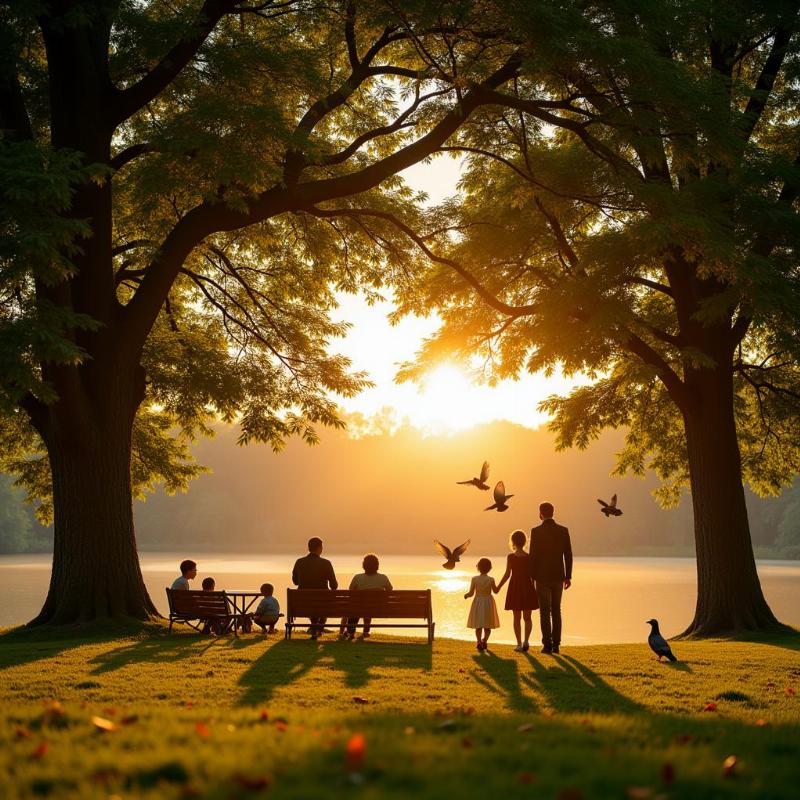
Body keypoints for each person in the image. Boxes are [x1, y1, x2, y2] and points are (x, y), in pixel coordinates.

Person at [530, 502, 573, 654]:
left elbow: (533, 556)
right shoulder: (563, 530)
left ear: (540, 513)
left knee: (544, 612)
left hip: (541, 576)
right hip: (558, 576)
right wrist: (568, 576)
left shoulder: (535, 531)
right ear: (553, 513)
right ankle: (556, 645)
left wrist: (532, 576)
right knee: (556, 610)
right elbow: (568, 555)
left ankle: (547, 645)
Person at [495, 530, 539, 652]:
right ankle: (526, 641)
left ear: (513, 542)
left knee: (516, 618)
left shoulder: (511, 557)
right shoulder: (529, 557)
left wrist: (498, 587)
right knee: (528, 617)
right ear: (525, 542)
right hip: (527, 587)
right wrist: (534, 590)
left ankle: (519, 644)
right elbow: (533, 576)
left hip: (515, 587)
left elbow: (507, 574)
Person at [292, 537, 338, 638]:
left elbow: (295, 582)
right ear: (320, 548)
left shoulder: (299, 562)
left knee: (313, 604)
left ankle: (314, 628)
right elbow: (334, 586)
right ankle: (318, 628)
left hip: (302, 602)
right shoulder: (326, 563)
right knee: (322, 605)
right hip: (323, 602)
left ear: (309, 548)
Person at [343, 553, 392, 639]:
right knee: (368, 606)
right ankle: (365, 631)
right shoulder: (383, 578)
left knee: (357, 605)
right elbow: (390, 591)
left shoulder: (357, 578)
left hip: (359, 608)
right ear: (377, 565)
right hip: (378, 608)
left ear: (364, 565)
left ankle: (351, 631)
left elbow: (350, 593)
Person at [463, 558, 500, 651]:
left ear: (478, 567)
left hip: (478, 602)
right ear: (490, 568)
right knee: (487, 625)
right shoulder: (491, 579)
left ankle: (479, 641)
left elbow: (471, 593)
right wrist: (500, 585)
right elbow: (495, 591)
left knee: (478, 625)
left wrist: (467, 595)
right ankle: (485, 641)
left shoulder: (474, 579)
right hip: (488, 602)